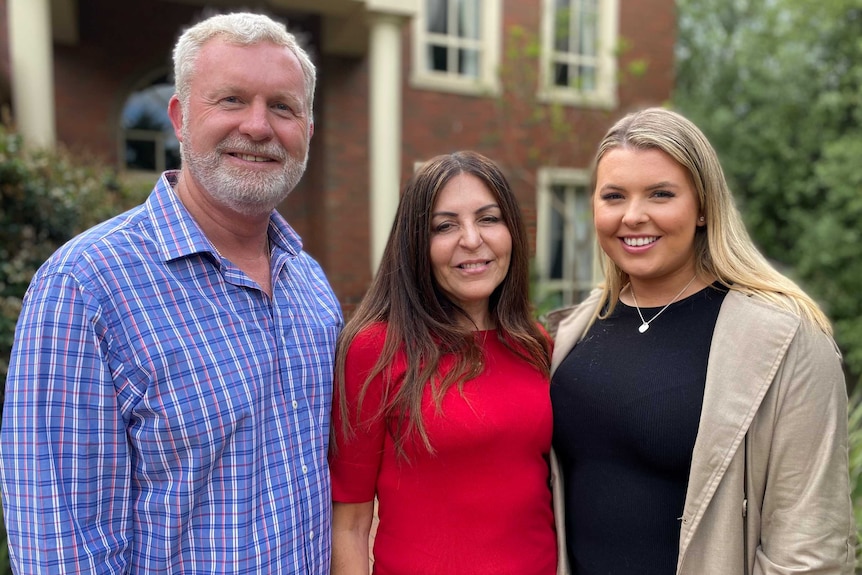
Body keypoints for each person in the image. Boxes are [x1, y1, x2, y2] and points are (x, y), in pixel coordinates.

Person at [0, 12, 342, 574]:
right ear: (180, 118)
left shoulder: (308, 283)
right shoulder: (85, 289)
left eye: (282, 107)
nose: (258, 126)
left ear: (307, 130)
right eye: (230, 100)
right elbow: (60, 549)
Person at [547, 106, 855, 574]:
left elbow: (811, 548)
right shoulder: (573, 330)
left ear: (704, 207)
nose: (633, 216)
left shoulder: (786, 339)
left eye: (660, 194)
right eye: (613, 196)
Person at [329, 150, 558, 575]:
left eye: (489, 219)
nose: (472, 240)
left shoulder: (535, 345)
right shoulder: (375, 350)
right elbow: (350, 525)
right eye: (445, 226)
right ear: (416, 243)